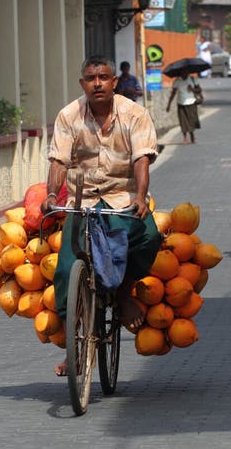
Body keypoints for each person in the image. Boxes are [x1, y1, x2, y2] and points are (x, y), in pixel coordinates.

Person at [42, 55, 163, 376]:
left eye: (104, 77)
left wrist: (140, 195)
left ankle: (124, 294)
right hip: (83, 202)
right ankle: (74, 350)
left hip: (124, 198)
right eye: (91, 78)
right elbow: (58, 161)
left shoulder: (134, 114)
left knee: (150, 237)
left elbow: (141, 159)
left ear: (114, 82)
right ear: (83, 83)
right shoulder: (69, 116)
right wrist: (52, 195)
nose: (97, 83)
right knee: (68, 267)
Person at [165, 68, 200, 144]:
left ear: (188, 72)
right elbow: (173, 93)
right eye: (182, 72)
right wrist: (169, 105)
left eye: (186, 72)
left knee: (192, 121)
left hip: (191, 103)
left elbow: (199, 90)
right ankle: (185, 137)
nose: (184, 73)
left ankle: (192, 135)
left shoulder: (193, 79)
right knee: (183, 121)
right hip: (181, 103)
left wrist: (192, 89)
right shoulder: (177, 81)